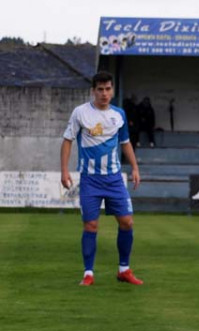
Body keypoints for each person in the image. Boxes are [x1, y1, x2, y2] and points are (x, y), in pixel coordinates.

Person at [60, 71, 143, 286]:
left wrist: (134, 167)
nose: (104, 94)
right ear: (93, 91)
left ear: (112, 90)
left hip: (114, 179)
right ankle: (88, 273)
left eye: (107, 89)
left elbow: (125, 142)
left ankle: (124, 269)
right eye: (100, 90)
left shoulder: (119, 114)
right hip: (90, 180)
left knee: (127, 222)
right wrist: (64, 170)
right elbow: (68, 140)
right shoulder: (80, 113)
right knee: (91, 226)